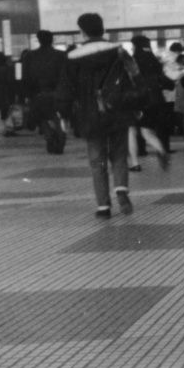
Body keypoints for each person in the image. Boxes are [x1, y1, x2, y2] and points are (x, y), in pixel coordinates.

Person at [57, 12, 141, 218]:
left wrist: (64, 115)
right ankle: (121, 188)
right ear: (102, 29)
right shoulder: (119, 51)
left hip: (90, 114)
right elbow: (135, 77)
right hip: (118, 111)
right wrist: (137, 104)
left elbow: (65, 91)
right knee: (119, 154)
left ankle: (103, 207)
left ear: (82, 31)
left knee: (97, 160)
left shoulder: (73, 57)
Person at [127, 35, 171, 170]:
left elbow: (130, 80)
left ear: (135, 45)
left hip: (139, 100)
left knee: (131, 130)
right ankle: (160, 149)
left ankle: (134, 163)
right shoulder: (155, 61)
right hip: (157, 100)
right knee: (146, 131)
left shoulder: (133, 60)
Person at [21, 31, 68, 151]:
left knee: (41, 117)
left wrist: (26, 95)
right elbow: (67, 75)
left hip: (38, 93)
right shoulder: (61, 55)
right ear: (52, 40)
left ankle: (49, 137)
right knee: (58, 116)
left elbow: (25, 77)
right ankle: (60, 135)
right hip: (58, 92)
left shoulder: (29, 56)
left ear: (38, 40)